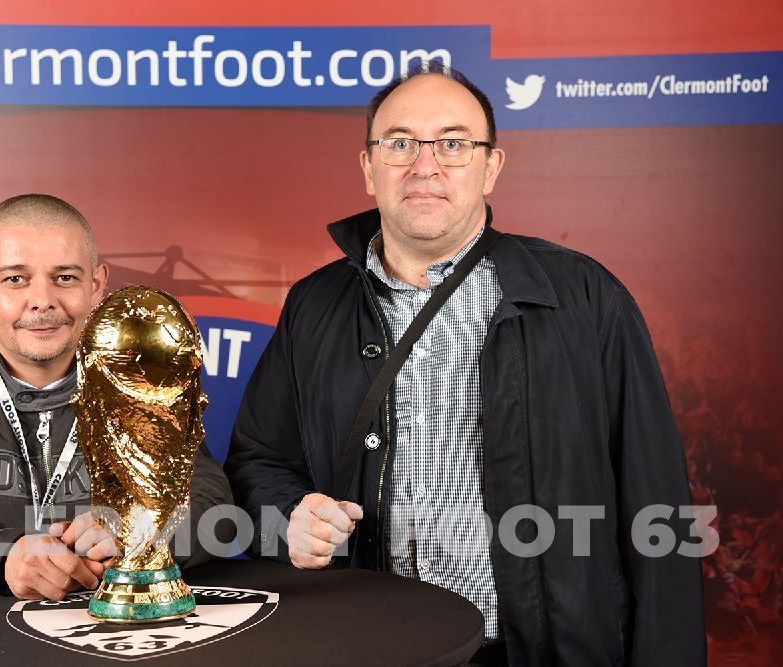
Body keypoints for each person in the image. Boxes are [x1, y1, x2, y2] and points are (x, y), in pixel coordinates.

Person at [225, 64, 705, 665]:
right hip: (366, 645)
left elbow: (656, 501)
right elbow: (259, 459)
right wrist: (286, 522)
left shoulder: (585, 297)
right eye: (399, 143)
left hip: (542, 650)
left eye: (453, 143)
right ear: (369, 167)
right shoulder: (314, 303)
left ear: (491, 166)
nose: (425, 165)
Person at [0, 194, 233, 601]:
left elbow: (215, 507)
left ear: (97, 285)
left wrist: (138, 532)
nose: (42, 301)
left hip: (102, 635)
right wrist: (0, 559)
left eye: (66, 278)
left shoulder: (135, 370)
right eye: (15, 279)